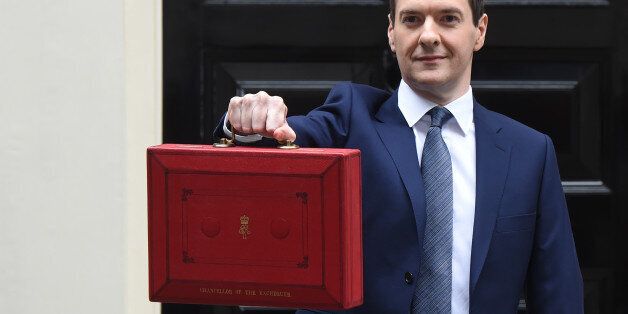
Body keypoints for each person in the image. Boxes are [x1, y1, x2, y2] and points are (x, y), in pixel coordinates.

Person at [215, 0, 584, 312]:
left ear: (480, 31)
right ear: (392, 32)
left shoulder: (530, 151)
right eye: (411, 19)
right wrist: (249, 125)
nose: (428, 35)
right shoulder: (349, 117)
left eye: (448, 18)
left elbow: (557, 292)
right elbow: (277, 146)